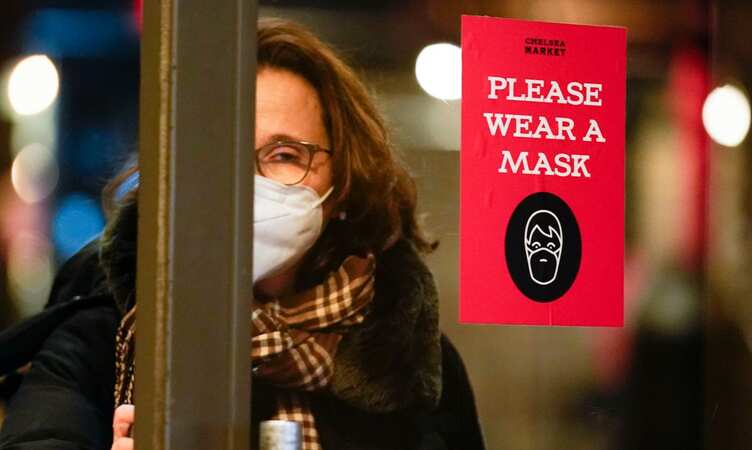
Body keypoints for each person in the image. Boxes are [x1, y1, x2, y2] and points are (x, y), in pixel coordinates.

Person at [0, 18, 485, 450]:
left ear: (341, 186)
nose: (248, 183)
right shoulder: (100, 339)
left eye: (285, 155)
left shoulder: (413, 366)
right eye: (221, 153)